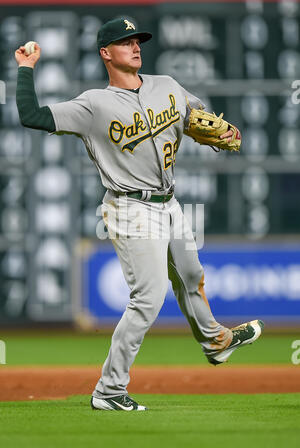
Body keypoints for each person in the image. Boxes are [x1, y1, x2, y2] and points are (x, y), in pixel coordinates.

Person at [15, 17, 264, 412]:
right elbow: (32, 116)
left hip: (170, 202)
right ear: (105, 53)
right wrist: (26, 69)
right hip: (129, 206)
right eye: (124, 41)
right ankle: (109, 390)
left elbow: (200, 119)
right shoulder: (92, 104)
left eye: (137, 40)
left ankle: (215, 341)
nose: (135, 46)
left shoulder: (167, 85)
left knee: (192, 276)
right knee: (148, 297)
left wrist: (220, 132)